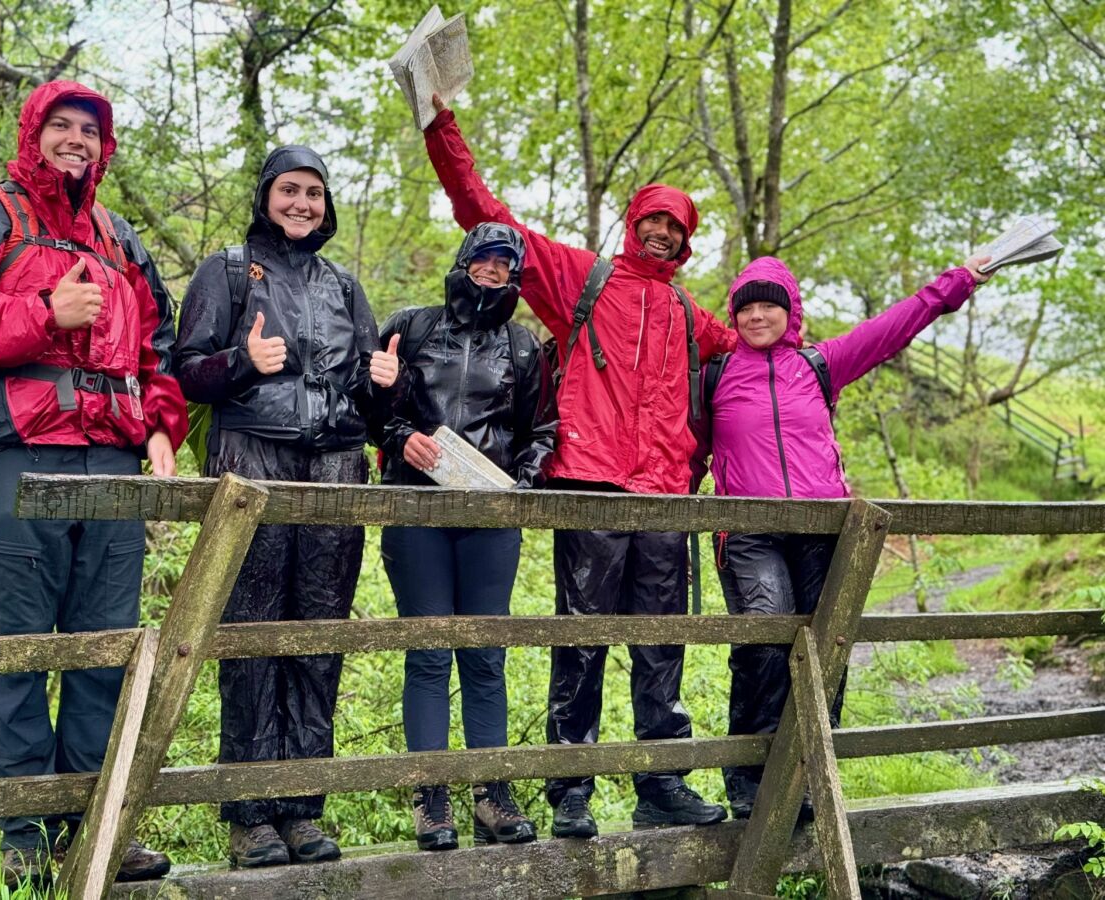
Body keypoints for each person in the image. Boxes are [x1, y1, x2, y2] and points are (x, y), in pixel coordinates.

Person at [422, 95, 736, 837]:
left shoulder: (696, 319)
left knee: (662, 643)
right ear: (633, 223)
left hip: (665, 496)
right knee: (582, 636)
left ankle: (661, 783)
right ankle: (572, 789)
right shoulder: (583, 281)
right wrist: (443, 128)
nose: (661, 232)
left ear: (685, 242)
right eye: (652, 219)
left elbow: (768, 359)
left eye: (675, 226)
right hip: (590, 483)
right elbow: (484, 214)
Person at [0, 81, 185, 887]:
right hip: (11, 460)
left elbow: (155, 346)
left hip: (112, 467)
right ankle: (25, 843)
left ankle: (91, 829)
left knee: (103, 653)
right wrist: (42, 311)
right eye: (61, 126)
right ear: (35, 134)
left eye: (89, 131)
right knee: (18, 652)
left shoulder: (119, 236)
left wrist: (164, 423)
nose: (76, 140)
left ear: (105, 146)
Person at [174, 145, 399, 869]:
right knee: (249, 632)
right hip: (252, 459)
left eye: (314, 194)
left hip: (335, 468)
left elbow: (370, 395)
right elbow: (186, 373)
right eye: (290, 190)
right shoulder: (228, 270)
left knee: (318, 635)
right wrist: (245, 362)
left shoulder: (343, 285)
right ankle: (250, 814)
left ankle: (303, 805)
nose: (303, 204)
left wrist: (386, 383)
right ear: (267, 194)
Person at [707, 253, 993, 819]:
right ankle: (748, 777)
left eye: (770, 305)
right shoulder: (715, 374)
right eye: (747, 307)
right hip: (750, 532)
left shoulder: (820, 365)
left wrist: (959, 280)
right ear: (733, 316)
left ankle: (809, 776)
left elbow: (895, 325)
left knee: (824, 649)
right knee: (765, 641)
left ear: (790, 312)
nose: (757, 316)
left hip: (823, 530)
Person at [377, 223, 557, 851]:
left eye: (505, 263)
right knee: (427, 653)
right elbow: (374, 410)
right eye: (483, 258)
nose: (492, 269)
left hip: (490, 517)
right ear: (463, 261)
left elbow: (543, 429)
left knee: (485, 655)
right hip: (418, 510)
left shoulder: (523, 345)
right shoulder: (414, 325)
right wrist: (401, 436)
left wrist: (521, 485)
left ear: (515, 275)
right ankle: (432, 800)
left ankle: (492, 795)